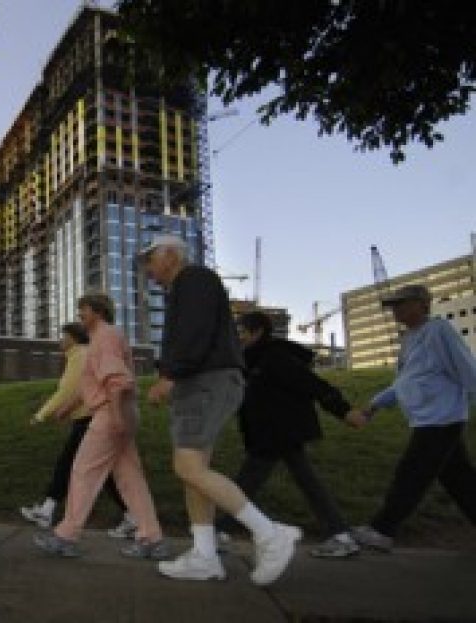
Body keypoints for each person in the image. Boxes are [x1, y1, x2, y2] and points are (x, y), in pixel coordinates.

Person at [142, 234, 300, 585]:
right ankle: (204, 556)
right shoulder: (189, 285)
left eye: (150, 260)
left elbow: (193, 333)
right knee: (195, 472)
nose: (148, 269)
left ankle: (271, 536)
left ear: (170, 255)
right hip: (203, 381)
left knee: (187, 467)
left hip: (205, 381)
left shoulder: (193, 278)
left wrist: (169, 375)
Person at [33, 293, 170, 560]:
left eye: (82, 310)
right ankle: (153, 539)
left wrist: (116, 417)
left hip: (110, 413)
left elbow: (116, 380)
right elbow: (93, 383)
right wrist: (68, 408)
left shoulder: (105, 336)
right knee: (130, 478)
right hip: (119, 411)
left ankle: (65, 536)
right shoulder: (105, 337)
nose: (79, 316)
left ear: (97, 311)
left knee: (84, 471)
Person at [215, 311, 361, 558]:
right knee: (304, 482)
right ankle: (341, 535)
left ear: (258, 331)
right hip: (274, 433)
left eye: (241, 332)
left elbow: (313, 384)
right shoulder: (251, 360)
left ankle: (219, 533)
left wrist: (344, 411)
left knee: (247, 482)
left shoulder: (274, 356)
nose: (237, 337)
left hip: (279, 432)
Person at [349, 284, 476, 552]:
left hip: (443, 419)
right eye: (393, 305)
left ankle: (383, 530)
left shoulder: (438, 330)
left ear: (423, 304)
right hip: (428, 418)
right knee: (459, 480)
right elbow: (405, 381)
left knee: (411, 474)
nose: (396, 310)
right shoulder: (409, 339)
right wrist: (374, 405)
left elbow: (467, 368)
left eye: (402, 303)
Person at [20, 322, 136, 539]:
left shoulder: (79, 356)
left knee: (72, 465)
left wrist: (40, 415)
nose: (60, 341)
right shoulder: (78, 355)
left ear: (74, 338)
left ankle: (52, 515)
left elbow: (69, 390)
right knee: (103, 472)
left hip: (90, 419)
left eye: (63, 336)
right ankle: (132, 515)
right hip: (88, 418)